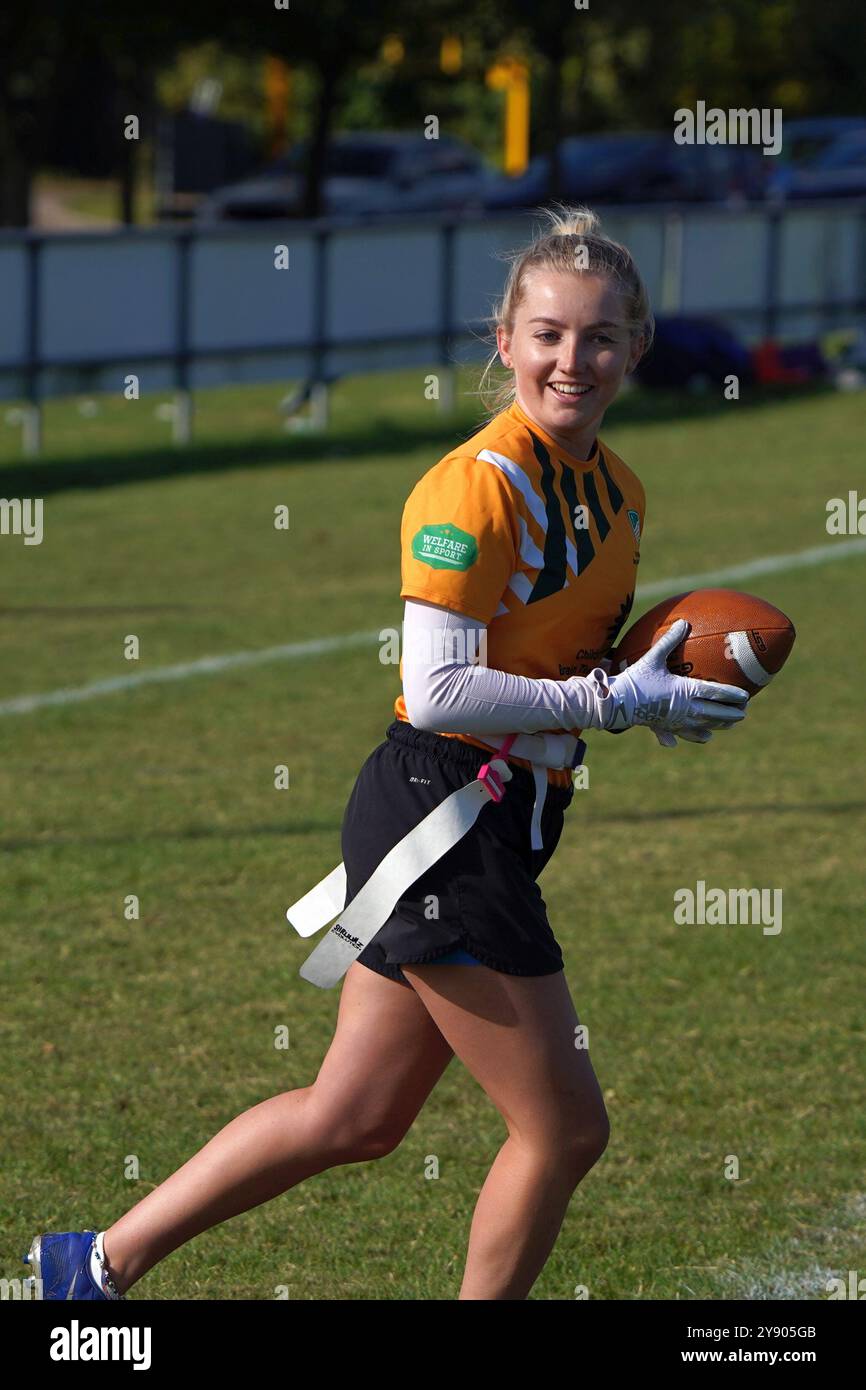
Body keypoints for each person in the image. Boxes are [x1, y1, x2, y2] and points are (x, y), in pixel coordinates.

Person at [24, 204, 747, 1302]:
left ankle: (93, 1263)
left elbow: (563, 660)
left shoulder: (618, 491)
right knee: (562, 1132)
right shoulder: (473, 485)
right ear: (502, 340)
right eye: (546, 333)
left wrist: (653, 699)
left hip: (492, 813)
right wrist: (610, 702)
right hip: (442, 810)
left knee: (351, 1118)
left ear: (637, 347)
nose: (571, 359)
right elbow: (446, 684)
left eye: (599, 336)